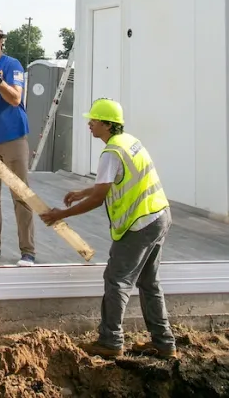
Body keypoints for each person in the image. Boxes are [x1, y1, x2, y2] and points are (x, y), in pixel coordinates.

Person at [41, 98, 176, 360]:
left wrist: (62, 214)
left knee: (117, 280)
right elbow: (109, 183)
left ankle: (110, 341)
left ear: (106, 124)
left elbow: (99, 198)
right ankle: (164, 342)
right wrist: (81, 191)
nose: (89, 124)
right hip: (160, 215)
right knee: (149, 282)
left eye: (93, 120)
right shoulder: (129, 143)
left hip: (140, 223)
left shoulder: (111, 152)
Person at [0, 21, 35, 266]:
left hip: (13, 137)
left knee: (21, 195)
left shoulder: (13, 65)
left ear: (1, 40)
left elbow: (15, 99)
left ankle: (28, 251)